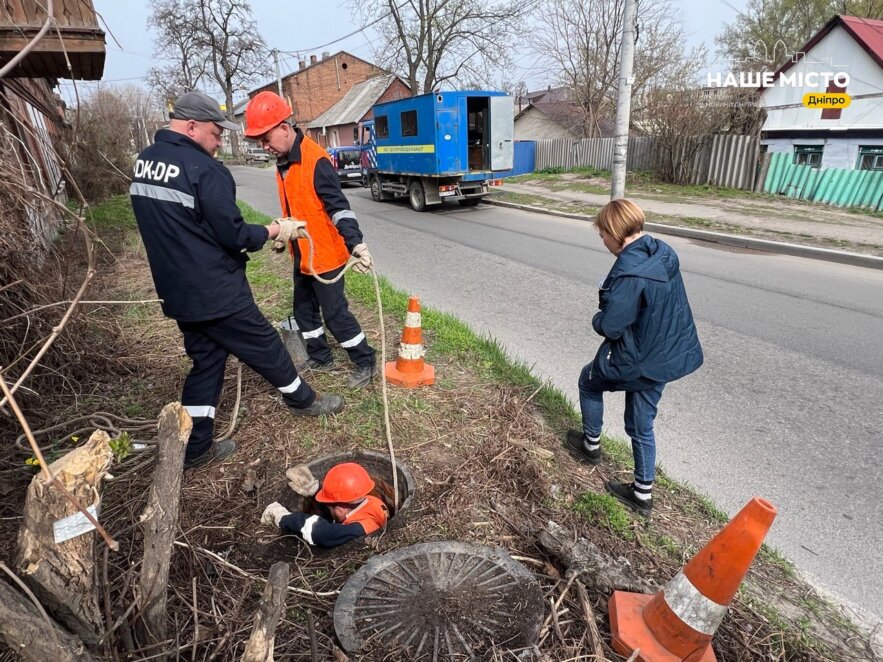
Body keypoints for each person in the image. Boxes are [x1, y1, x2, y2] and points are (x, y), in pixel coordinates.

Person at [130, 91, 345, 470]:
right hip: (215, 289)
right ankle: (304, 400)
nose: (217, 143)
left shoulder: (145, 162)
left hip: (177, 291)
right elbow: (234, 235)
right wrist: (275, 230)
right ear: (192, 126)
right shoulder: (205, 171)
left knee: (207, 362)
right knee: (266, 346)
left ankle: (195, 447)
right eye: (215, 134)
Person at [565, 199, 703, 517]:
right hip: (667, 354)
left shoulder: (630, 274)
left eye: (603, 235)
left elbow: (612, 327)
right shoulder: (661, 251)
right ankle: (642, 493)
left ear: (615, 232)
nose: (603, 242)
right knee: (641, 423)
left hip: (640, 357)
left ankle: (590, 445)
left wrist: (597, 319)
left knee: (588, 380)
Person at [243, 91, 377, 389]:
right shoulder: (284, 162)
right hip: (302, 254)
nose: (264, 147)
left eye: (266, 139)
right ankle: (320, 357)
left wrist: (355, 243)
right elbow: (297, 207)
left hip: (326, 256)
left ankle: (365, 360)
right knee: (304, 311)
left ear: (284, 127)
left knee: (335, 315)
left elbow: (339, 208)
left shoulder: (316, 161)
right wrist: (285, 233)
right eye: (260, 142)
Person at [261, 462, 389, 548]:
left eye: (329, 507)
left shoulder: (360, 528)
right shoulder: (371, 500)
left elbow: (320, 533)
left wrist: (282, 517)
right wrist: (316, 491)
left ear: (340, 509)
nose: (328, 509)